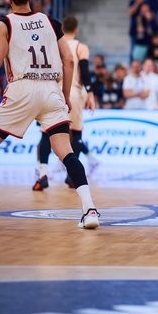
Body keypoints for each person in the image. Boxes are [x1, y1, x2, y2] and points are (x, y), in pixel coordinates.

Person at [0, 0, 100, 229]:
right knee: (67, 153)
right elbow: (68, 60)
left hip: (22, 89)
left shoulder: (4, 24)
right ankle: (90, 209)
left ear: (9, 0)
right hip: (51, 89)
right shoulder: (51, 22)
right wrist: (63, 93)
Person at [32, 16, 98, 191]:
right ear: (76, 29)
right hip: (74, 93)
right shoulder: (80, 47)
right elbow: (84, 71)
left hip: (51, 91)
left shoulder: (53, 44)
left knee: (46, 134)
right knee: (75, 135)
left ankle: (43, 175)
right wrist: (90, 93)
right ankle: (71, 176)